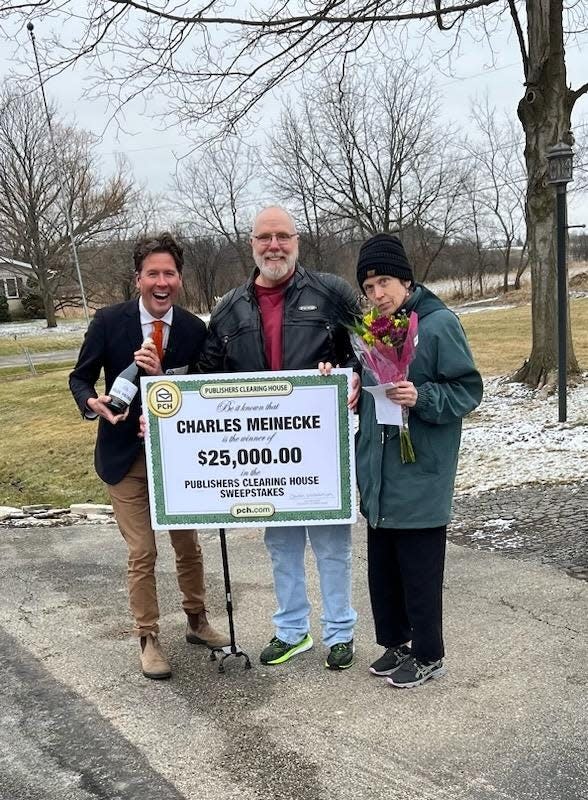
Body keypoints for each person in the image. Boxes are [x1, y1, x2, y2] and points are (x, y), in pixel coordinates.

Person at [198, 206, 361, 670]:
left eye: (283, 236)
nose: (275, 245)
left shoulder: (331, 293)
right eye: (265, 237)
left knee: (332, 544)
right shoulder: (229, 308)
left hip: (322, 451)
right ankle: (292, 631)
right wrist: (165, 413)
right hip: (265, 461)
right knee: (282, 545)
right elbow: (204, 380)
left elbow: (370, 350)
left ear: (297, 241)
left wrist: (352, 377)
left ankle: (340, 633)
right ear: (251, 244)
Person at [69, 232, 229, 680]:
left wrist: (165, 377)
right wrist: (91, 403)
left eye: (170, 273)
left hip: (176, 458)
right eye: (152, 273)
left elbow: (203, 391)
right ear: (138, 279)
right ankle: (148, 637)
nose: (162, 282)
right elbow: (79, 379)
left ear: (179, 278)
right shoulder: (108, 321)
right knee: (142, 552)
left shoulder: (195, 330)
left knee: (188, 546)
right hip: (124, 459)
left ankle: (197, 621)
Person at [354, 233, 483, 688]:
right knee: (384, 570)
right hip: (380, 472)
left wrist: (421, 396)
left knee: (419, 572)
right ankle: (397, 643)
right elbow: (372, 387)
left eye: (384, 282)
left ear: (405, 279)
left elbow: (467, 390)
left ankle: (429, 654)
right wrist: (356, 389)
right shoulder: (371, 328)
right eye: (369, 288)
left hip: (420, 470)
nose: (378, 294)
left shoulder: (438, 323)